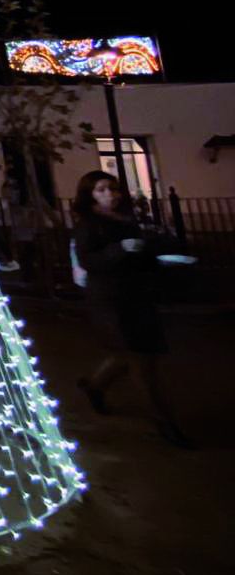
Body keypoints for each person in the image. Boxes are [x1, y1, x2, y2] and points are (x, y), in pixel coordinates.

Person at [72, 170, 191, 448]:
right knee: (141, 362)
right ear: (89, 194)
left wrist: (158, 260)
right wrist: (120, 249)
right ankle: (166, 423)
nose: (109, 194)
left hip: (136, 296)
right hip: (111, 301)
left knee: (127, 354)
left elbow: (141, 255)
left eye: (112, 189)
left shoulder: (125, 221)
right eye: (101, 189)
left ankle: (94, 386)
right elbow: (89, 261)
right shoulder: (88, 224)